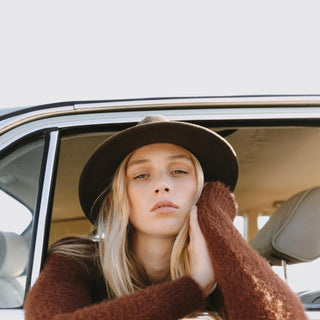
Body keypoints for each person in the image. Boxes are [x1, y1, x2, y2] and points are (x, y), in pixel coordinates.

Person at [24, 115, 307, 320]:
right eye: (141, 175)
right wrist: (193, 287)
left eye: (180, 171)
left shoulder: (223, 266)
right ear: (116, 200)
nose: (162, 185)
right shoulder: (77, 259)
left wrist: (215, 218)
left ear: (203, 191)